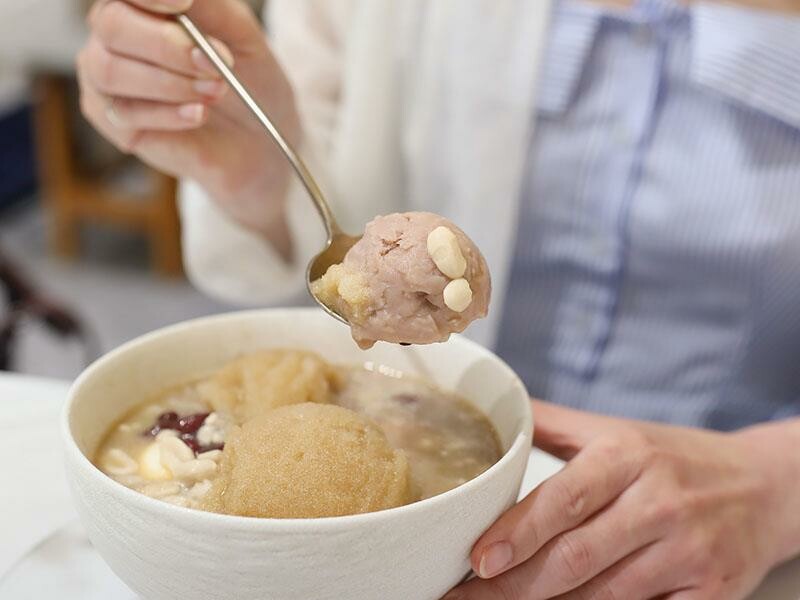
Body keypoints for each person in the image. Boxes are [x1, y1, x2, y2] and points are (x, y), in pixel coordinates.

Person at [77, 0, 800, 597]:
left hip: (749, 526)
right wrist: (256, 180)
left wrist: (774, 485)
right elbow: (303, 207)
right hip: (420, 525)